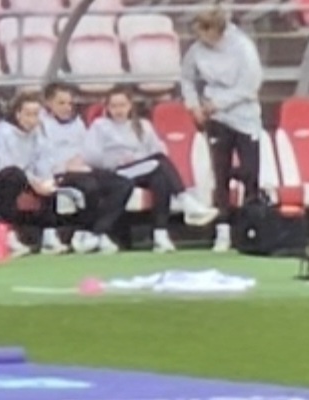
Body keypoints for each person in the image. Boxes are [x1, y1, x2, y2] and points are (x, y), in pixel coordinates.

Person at [85, 88, 219, 254]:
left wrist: (137, 157)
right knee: (160, 164)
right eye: (114, 106)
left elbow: (159, 149)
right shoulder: (100, 126)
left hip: (141, 167)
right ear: (108, 108)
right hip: (115, 172)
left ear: (130, 106)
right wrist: (118, 160)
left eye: (122, 105)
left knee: (160, 177)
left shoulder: (143, 125)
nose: (119, 110)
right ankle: (185, 200)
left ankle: (160, 234)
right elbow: (91, 156)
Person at [183, 8, 264, 255]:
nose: (199, 39)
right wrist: (194, 105)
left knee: (250, 172)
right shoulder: (196, 50)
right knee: (221, 174)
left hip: (244, 116)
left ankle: (252, 228)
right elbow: (186, 78)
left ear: (215, 30)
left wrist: (219, 103)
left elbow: (250, 85)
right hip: (216, 119)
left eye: (203, 33)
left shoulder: (242, 47)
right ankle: (223, 230)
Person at [39, 83, 127, 254]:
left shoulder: (77, 123)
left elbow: (87, 148)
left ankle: (96, 232)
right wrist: (65, 166)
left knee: (122, 184)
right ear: (49, 103)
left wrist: (84, 161)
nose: (67, 108)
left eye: (70, 103)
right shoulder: (42, 124)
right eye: (61, 103)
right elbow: (43, 156)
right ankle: (88, 232)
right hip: (61, 172)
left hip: (83, 168)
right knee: (90, 187)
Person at [0, 92, 59, 256]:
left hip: (29, 178)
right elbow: (7, 163)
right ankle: (9, 235)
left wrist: (44, 181)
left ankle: (49, 236)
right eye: (28, 114)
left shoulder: (38, 133)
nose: (32, 119)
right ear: (17, 114)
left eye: (36, 115)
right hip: (4, 178)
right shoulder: (4, 131)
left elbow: (43, 159)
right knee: (14, 177)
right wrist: (33, 182)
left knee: (50, 184)